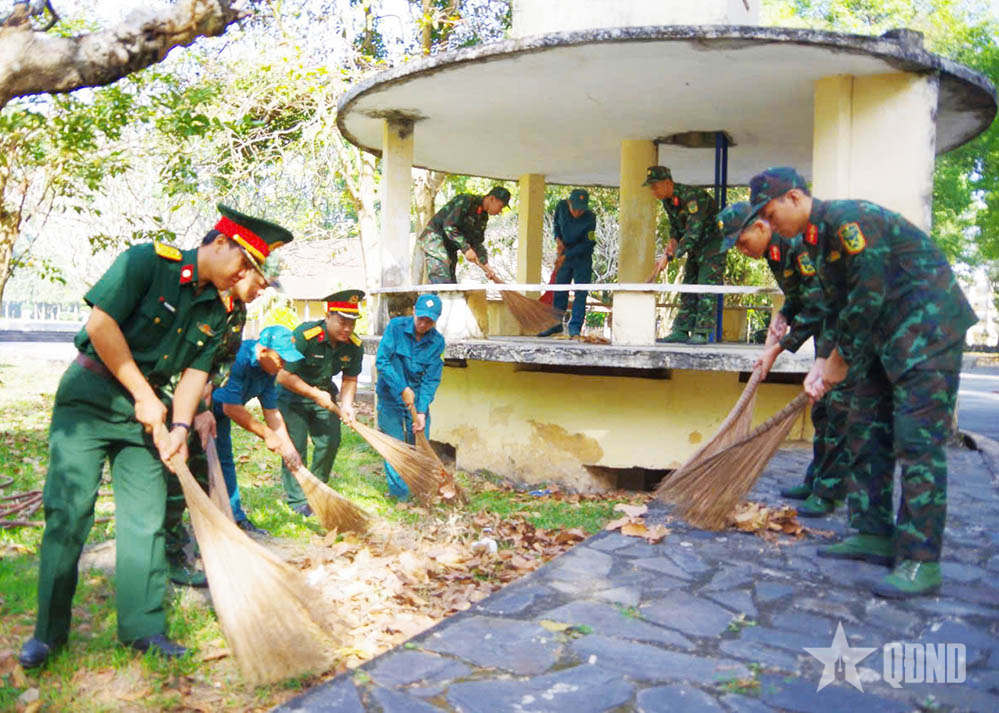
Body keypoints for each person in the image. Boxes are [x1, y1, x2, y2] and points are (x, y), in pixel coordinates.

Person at [18, 206, 272, 668]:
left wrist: (178, 427)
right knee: (69, 513)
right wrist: (142, 394)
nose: (244, 276)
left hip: (147, 416)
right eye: (245, 264)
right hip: (89, 401)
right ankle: (48, 632)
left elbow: (195, 374)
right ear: (220, 244)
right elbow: (100, 325)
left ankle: (141, 627)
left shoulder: (218, 311)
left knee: (146, 517)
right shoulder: (147, 263)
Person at [743, 166, 978, 597]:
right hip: (881, 338)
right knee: (864, 427)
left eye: (771, 215)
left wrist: (837, 362)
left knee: (916, 441)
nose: (769, 225)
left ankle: (920, 560)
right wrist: (823, 364)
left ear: (795, 198)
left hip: (926, 333)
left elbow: (869, 294)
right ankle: (873, 531)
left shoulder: (850, 222)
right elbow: (837, 306)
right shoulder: (812, 241)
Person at [164, 238, 287, 586]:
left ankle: (207, 541)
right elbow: (181, 357)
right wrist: (195, 407)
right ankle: (169, 554)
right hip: (169, 399)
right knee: (172, 477)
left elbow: (220, 362)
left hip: (200, 402)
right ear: (244, 269)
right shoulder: (198, 296)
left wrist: (205, 401)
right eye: (260, 283)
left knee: (204, 472)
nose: (261, 291)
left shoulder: (237, 312)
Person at [717, 202, 846, 518]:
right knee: (823, 411)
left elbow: (818, 304)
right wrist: (784, 315)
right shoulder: (774, 253)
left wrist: (778, 349)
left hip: (843, 331)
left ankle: (829, 491)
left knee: (838, 410)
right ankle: (816, 480)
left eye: (742, 243)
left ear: (760, 227)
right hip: (826, 331)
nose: (741, 251)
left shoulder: (795, 245)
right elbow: (799, 294)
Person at [276, 290, 364, 515]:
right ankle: (297, 501)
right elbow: (283, 376)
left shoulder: (354, 345)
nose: (347, 329)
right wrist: (314, 394)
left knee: (330, 441)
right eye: (342, 322)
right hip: (292, 396)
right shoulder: (306, 336)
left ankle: (316, 489)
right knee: (295, 447)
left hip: (323, 397)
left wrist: (346, 405)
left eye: (352, 323)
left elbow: (350, 378)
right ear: (328, 316)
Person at [209, 325, 304, 526]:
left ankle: (234, 519)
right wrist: (265, 434)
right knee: (197, 465)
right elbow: (231, 408)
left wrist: (289, 450)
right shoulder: (239, 360)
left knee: (224, 462)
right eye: (281, 358)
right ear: (262, 351)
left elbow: (271, 411)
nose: (284, 365)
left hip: (219, 417)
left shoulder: (269, 370)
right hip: (196, 411)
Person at [375, 293, 446, 499]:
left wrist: (422, 411)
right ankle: (400, 496)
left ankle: (417, 488)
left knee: (417, 447)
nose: (423, 324)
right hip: (390, 397)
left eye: (429, 320)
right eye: (421, 318)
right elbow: (382, 361)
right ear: (414, 311)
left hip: (416, 403)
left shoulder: (437, 342)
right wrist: (402, 388)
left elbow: (431, 379)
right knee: (395, 446)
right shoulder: (395, 328)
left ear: (436, 320)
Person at [644, 165, 726, 344]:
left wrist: (670, 256)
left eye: (655, 186)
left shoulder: (691, 198)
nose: (652, 191)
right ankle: (681, 330)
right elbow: (677, 228)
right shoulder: (668, 201)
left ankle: (701, 332)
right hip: (696, 246)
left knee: (705, 285)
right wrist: (672, 243)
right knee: (688, 284)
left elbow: (693, 233)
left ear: (667, 183)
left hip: (713, 245)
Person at [414, 186, 510, 284]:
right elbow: (449, 226)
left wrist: (485, 264)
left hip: (449, 246)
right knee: (442, 281)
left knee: (451, 284)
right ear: (492, 199)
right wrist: (466, 249)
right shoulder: (466, 201)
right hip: (435, 240)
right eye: (500, 206)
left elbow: (476, 242)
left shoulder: (483, 217)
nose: (500, 211)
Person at [539, 188, 597, 338]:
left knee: (580, 292)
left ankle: (575, 328)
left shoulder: (590, 218)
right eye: (575, 209)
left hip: (581, 257)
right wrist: (557, 239)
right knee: (560, 289)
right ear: (569, 203)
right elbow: (556, 225)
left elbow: (588, 244)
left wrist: (567, 255)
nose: (577, 213)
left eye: (581, 210)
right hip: (564, 252)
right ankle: (555, 324)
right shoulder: (561, 207)